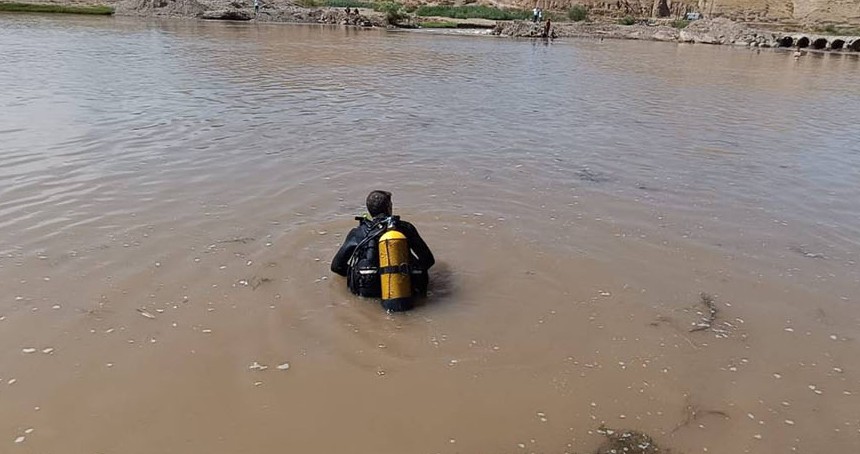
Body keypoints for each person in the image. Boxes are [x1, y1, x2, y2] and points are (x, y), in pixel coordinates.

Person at [331, 190, 435, 310]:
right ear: (389, 207)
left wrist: (357, 274)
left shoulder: (358, 233)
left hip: (368, 290)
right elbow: (428, 260)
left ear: (369, 210)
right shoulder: (405, 228)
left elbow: (336, 267)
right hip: (405, 290)